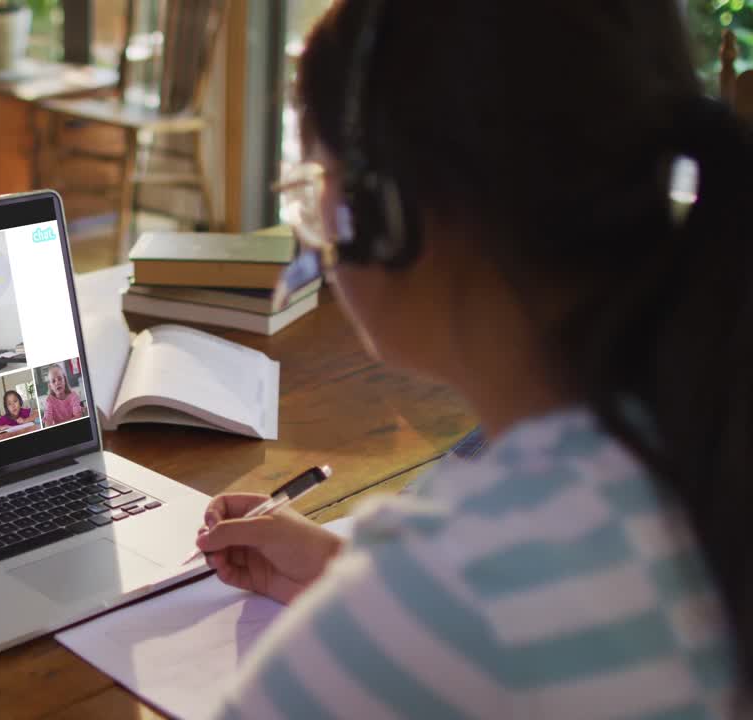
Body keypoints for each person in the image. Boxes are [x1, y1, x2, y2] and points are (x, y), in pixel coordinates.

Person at [195, 2, 751, 717]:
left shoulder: (453, 583)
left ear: (389, 212)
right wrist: (352, 584)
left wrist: (390, 612)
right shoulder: (698, 436)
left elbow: (484, 604)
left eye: (316, 187)